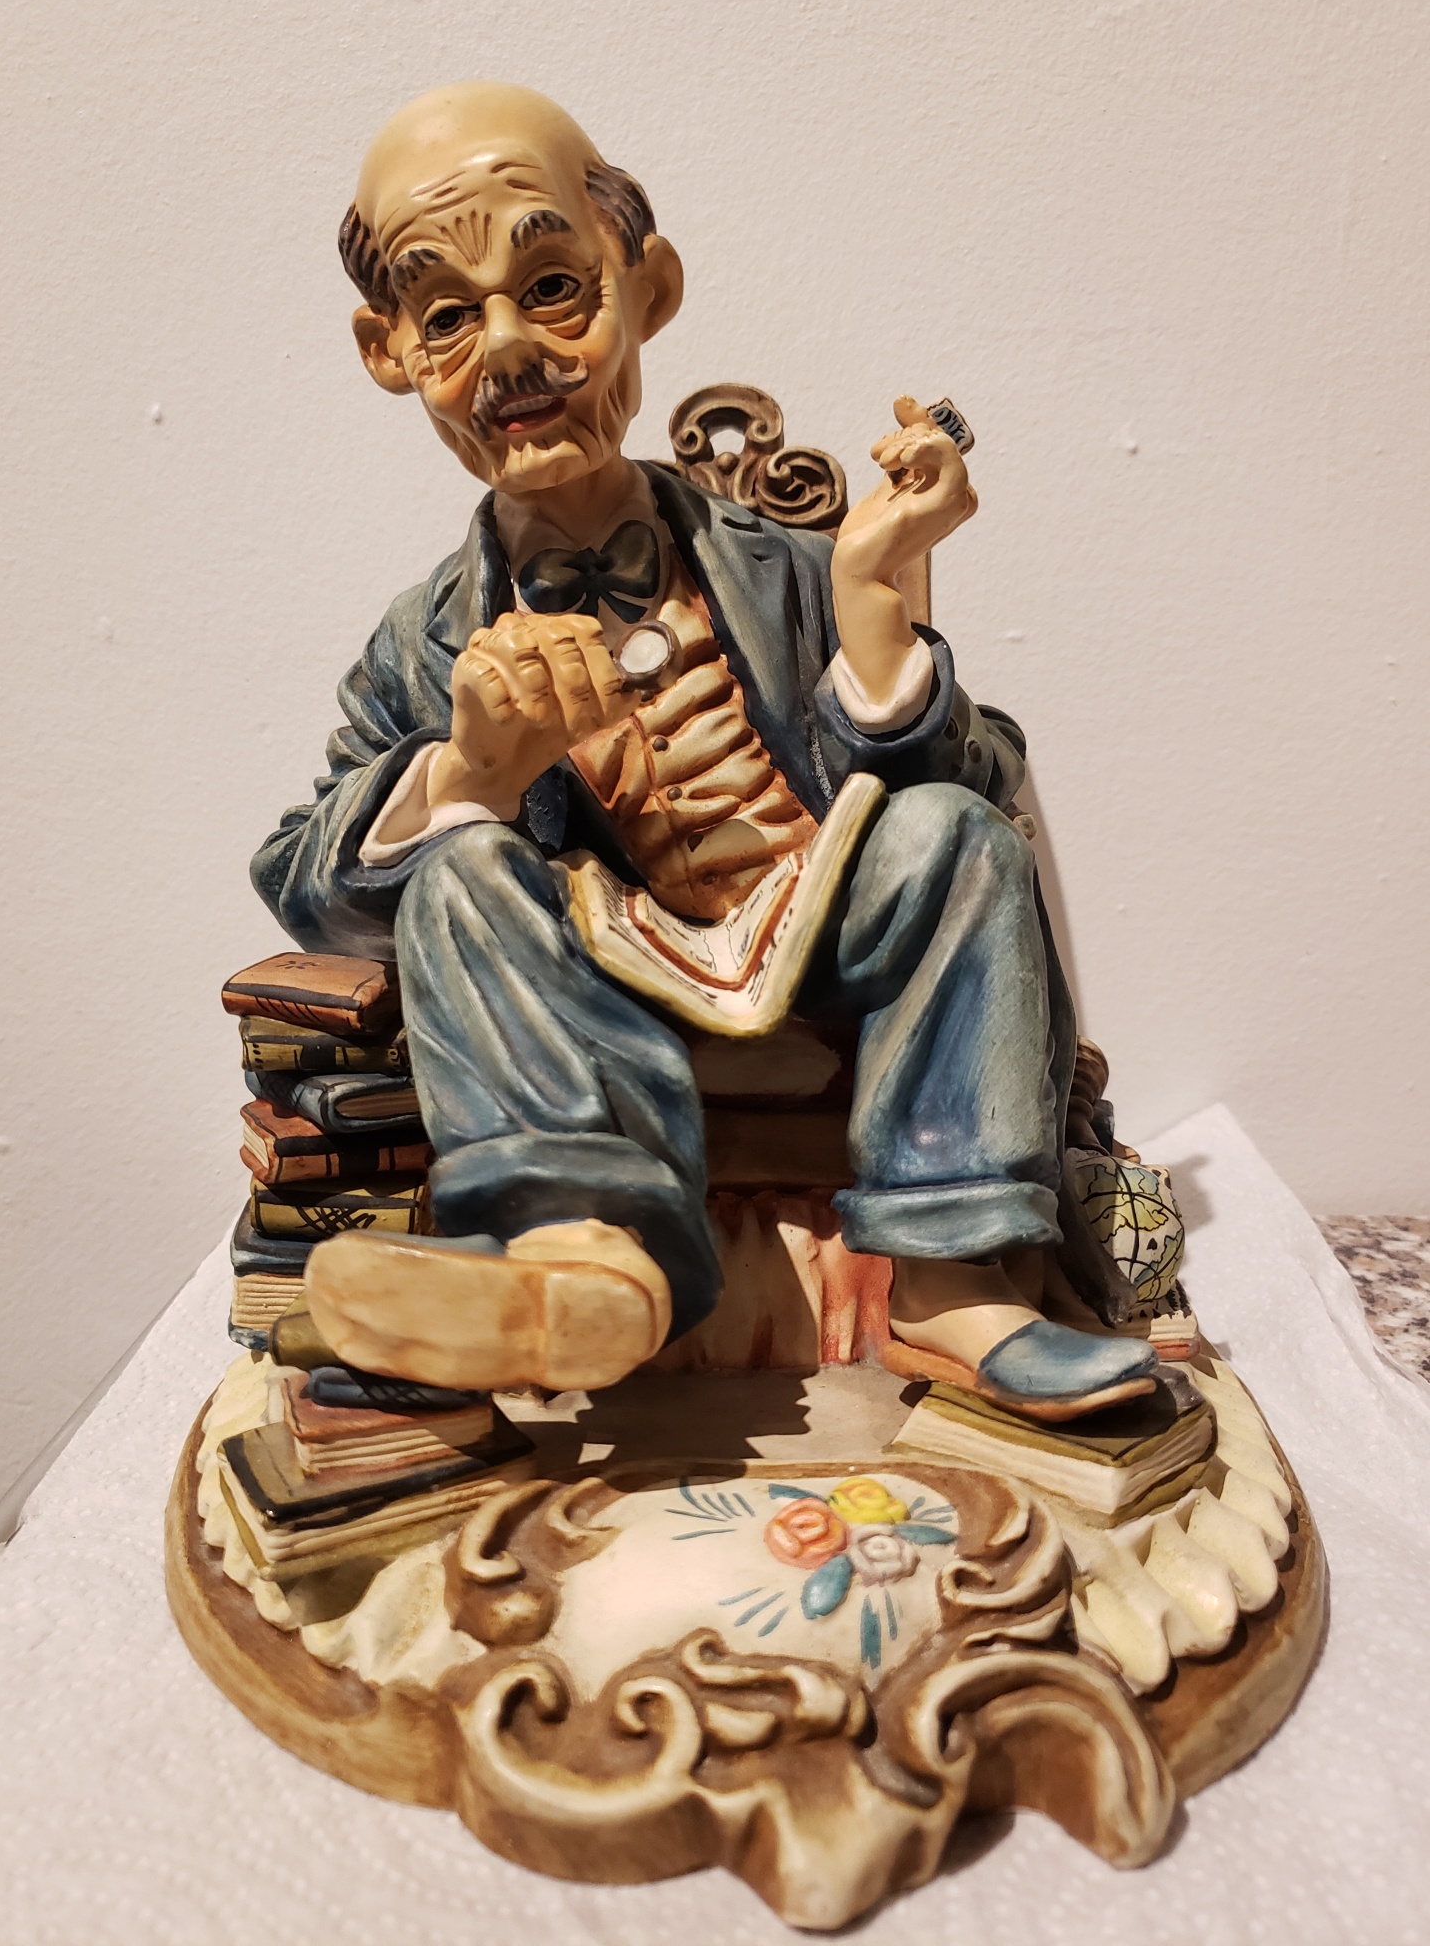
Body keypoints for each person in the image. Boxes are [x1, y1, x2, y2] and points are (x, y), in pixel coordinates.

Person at [254, 81, 1159, 1422]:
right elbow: (300, 871)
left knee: (956, 835)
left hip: (816, 924)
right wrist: (468, 777)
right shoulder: (424, 639)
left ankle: (955, 1280)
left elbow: (982, 779)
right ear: (388, 351)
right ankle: (584, 1261)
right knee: (458, 878)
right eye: (446, 316)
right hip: (601, 982)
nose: (507, 351)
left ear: (648, 287)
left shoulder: (782, 568)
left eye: (552, 289)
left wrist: (871, 609)